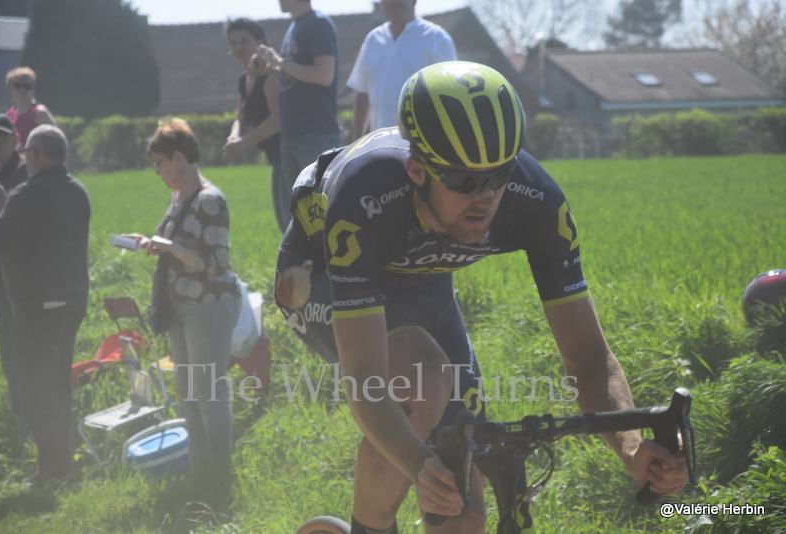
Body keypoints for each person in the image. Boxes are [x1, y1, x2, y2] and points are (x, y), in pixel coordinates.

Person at [274, 62, 689, 534]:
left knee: (464, 507)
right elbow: (365, 378)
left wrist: (631, 448)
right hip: (319, 274)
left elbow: (588, 357)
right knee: (423, 383)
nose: (486, 196)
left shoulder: (536, 202)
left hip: (425, 283)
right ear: (416, 170)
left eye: (498, 175)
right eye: (463, 180)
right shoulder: (365, 199)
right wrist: (417, 464)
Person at [123, 118, 241, 508]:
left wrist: (169, 247)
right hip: (181, 309)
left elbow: (214, 263)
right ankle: (199, 466)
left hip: (208, 307)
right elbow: (174, 245)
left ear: (178, 158)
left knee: (208, 391)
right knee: (188, 393)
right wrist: (154, 244)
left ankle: (219, 471)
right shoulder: (177, 197)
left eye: (158, 163)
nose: (156, 172)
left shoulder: (210, 199)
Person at [0, 124, 89, 488]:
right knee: (59, 383)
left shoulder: (27, 194)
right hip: (71, 303)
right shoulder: (78, 191)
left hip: (36, 307)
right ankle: (66, 463)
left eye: (27, 152)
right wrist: (7, 207)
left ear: (35, 156)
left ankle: (53, 470)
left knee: (35, 390)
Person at [257, 0, 340, 233]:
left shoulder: (318, 24)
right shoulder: (294, 27)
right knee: (297, 218)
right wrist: (275, 69)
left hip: (316, 134)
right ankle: (302, 268)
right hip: (293, 135)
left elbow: (324, 74)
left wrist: (281, 62)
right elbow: (298, 74)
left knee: (321, 215)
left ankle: (327, 269)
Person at [347, 0, 456, 140]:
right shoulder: (373, 39)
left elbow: (450, 96)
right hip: (379, 144)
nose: (394, 2)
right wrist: (357, 142)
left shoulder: (437, 38)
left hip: (422, 145)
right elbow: (362, 92)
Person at [0, 114, 28, 421]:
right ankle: (18, 411)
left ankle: (26, 415)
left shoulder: (26, 173)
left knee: (18, 348)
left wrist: (3, 208)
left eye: (0, 137)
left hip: (19, 276)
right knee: (6, 347)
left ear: (15, 140)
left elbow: (30, 226)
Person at [222, 18, 282, 226]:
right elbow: (241, 118)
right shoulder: (243, 80)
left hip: (290, 155)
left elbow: (277, 120)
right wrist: (233, 136)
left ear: (260, 42)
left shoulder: (270, 76)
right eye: (234, 42)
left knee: (295, 223)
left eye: (244, 40)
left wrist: (242, 144)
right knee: (285, 222)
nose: (239, 47)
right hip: (276, 159)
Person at [5, 66, 56, 150]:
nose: (22, 89)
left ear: (33, 90)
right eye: (17, 86)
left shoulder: (40, 113)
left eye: (27, 86)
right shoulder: (9, 116)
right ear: (11, 90)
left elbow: (56, 142)